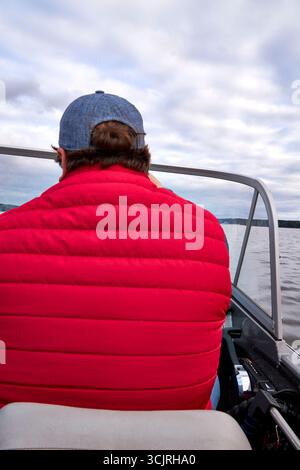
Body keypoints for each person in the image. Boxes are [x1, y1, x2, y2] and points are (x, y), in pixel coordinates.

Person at [0, 91, 231, 410]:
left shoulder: (5, 230)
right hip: (170, 437)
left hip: (23, 434)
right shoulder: (204, 231)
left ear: (63, 157)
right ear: (145, 160)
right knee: (218, 372)